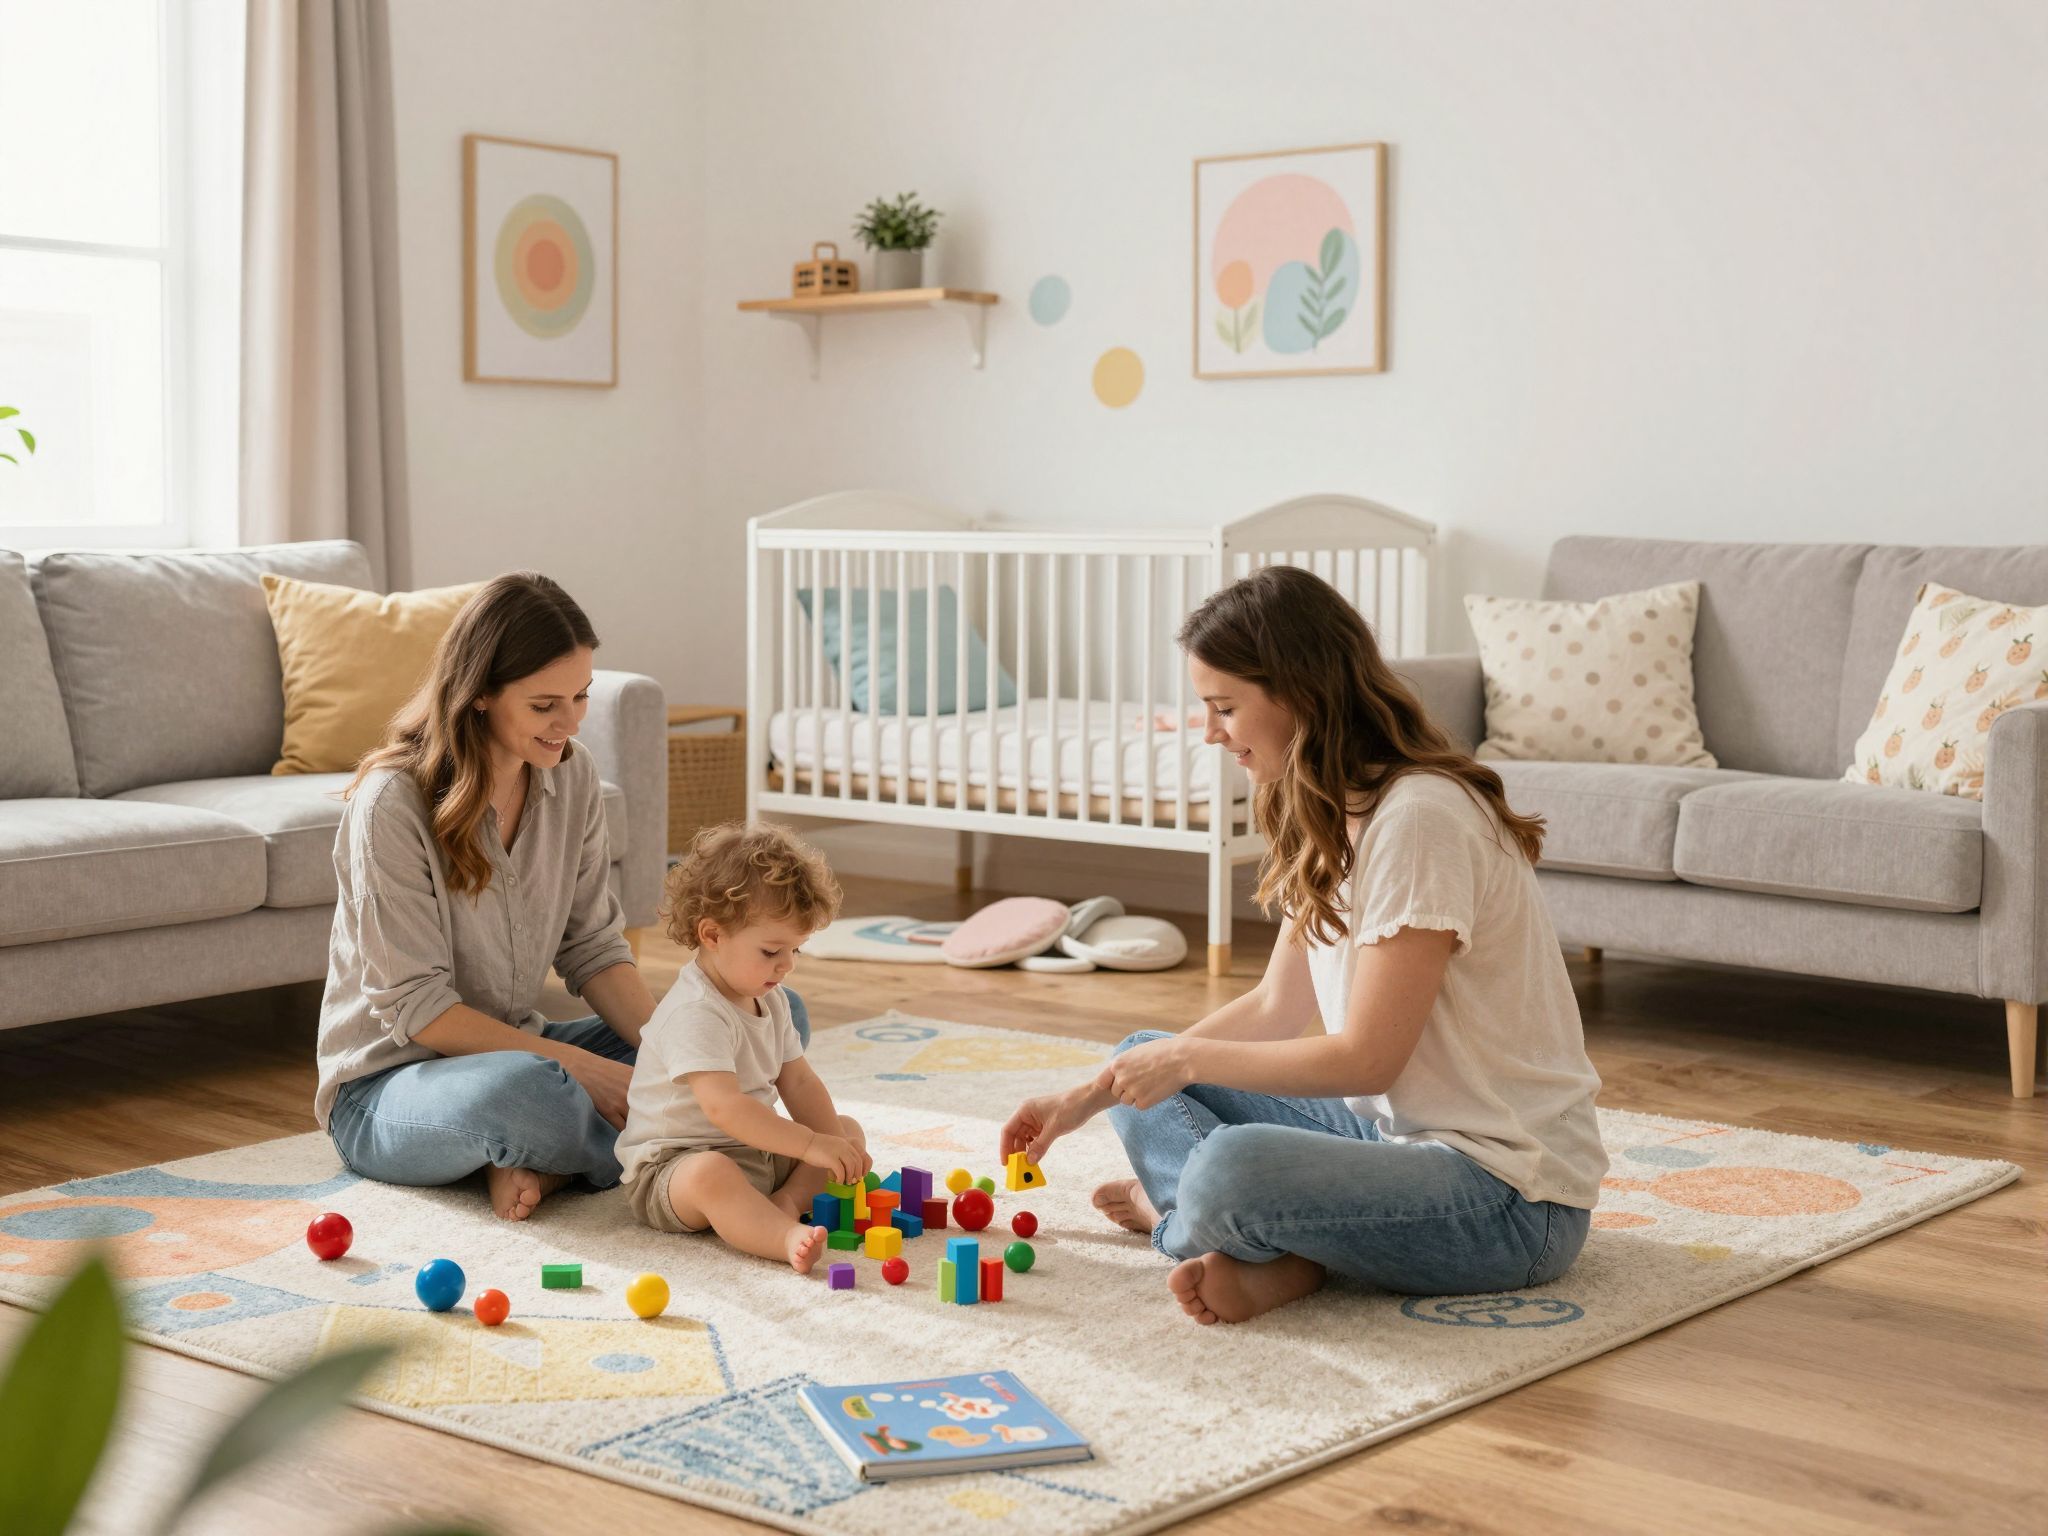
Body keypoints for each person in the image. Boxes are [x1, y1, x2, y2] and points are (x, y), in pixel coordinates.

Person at [999, 565, 1606, 1324]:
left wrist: (1186, 1061)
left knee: (1226, 1166)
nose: (1211, 732)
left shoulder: (1420, 821)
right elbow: (1279, 1007)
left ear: (1300, 695)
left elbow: (1365, 1058)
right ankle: (1275, 1241)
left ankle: (1192, 1221)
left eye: (1225, 707)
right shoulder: (1328, 808)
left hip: (1509, 1198)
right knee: (1138, 1057)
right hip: (1393, 1142)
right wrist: (1082, 1097)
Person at [317, 574, 678, 1221]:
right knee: (532, 1095)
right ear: (480, 693)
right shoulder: (392, 805)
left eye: (580, 697)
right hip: (392, 1084)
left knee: (758, 1014)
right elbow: (420, 1010)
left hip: (521, 1046)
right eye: (545, 706)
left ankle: (544, 1162)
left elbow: (592, 945)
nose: (569, 723)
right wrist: (583, 1072)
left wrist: (676, 1056)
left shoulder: (572, 775)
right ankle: (672, 1145)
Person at [616, 821, 866, 1273]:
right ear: (712, 936)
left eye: (795, 951)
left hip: (754, 1153)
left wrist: (830, 1143)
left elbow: (800, 1080)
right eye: (772, 952)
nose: (786, 965)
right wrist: (810, 1144)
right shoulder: (696, 1011)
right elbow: (725, 1110)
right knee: (713, 1173)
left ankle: (783, 1204)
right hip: (674, 1169)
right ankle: (781, 1236)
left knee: (846, 1129)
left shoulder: (770, 998)